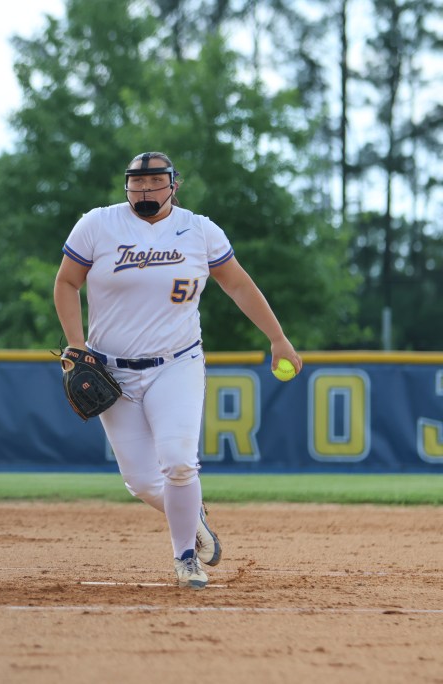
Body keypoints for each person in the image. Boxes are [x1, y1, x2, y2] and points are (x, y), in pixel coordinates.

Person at [53, 151, 303, 590]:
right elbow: (67, 282)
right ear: (126, 185)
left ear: (173, 185)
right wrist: (76, 343)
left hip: (177, 364)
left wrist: (277, 337)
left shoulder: (199, 230)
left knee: (180, 464)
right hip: (112, 372)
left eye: (155, 181)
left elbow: (238, 284)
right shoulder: (97, 224)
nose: (145, 189)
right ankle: (195, 519)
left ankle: (185, 557)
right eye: (137, 182)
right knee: (141, 482)